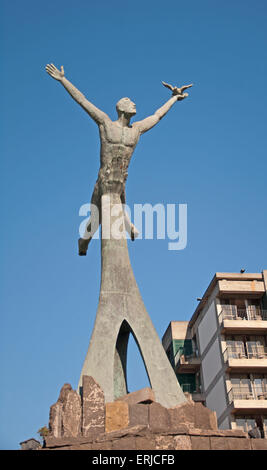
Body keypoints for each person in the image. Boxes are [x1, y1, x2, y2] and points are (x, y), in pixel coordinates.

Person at [45, 64, 192, 255]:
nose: (134, 103)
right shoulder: (106, 124)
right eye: (128, 101)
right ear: (120, 108)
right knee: (98, 216)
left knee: (114, 205)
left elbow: (157, 116)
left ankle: (107, 232)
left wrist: (173, 99)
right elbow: (83, 101)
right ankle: (92, 238)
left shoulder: (136, 130)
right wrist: (63, 80)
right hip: (104, 180)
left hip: (121, 180)